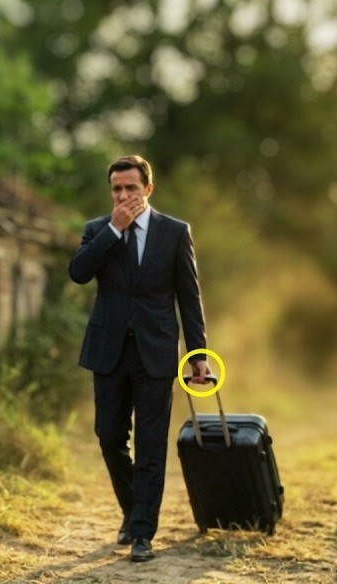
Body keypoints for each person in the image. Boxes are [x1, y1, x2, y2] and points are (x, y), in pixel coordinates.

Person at [69, 154, 210, 563]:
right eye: (117, 189)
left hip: (156, 352)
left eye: (131, 188)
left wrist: (196, 353)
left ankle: (143, 532)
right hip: (108, 351)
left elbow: (190, 297)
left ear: (148, 189)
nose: (124, 195)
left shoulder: (175, 232)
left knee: (151, 445)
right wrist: (115, 229)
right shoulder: (98, 230)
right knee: (109, 436)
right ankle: (133, 511)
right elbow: (78, 272)